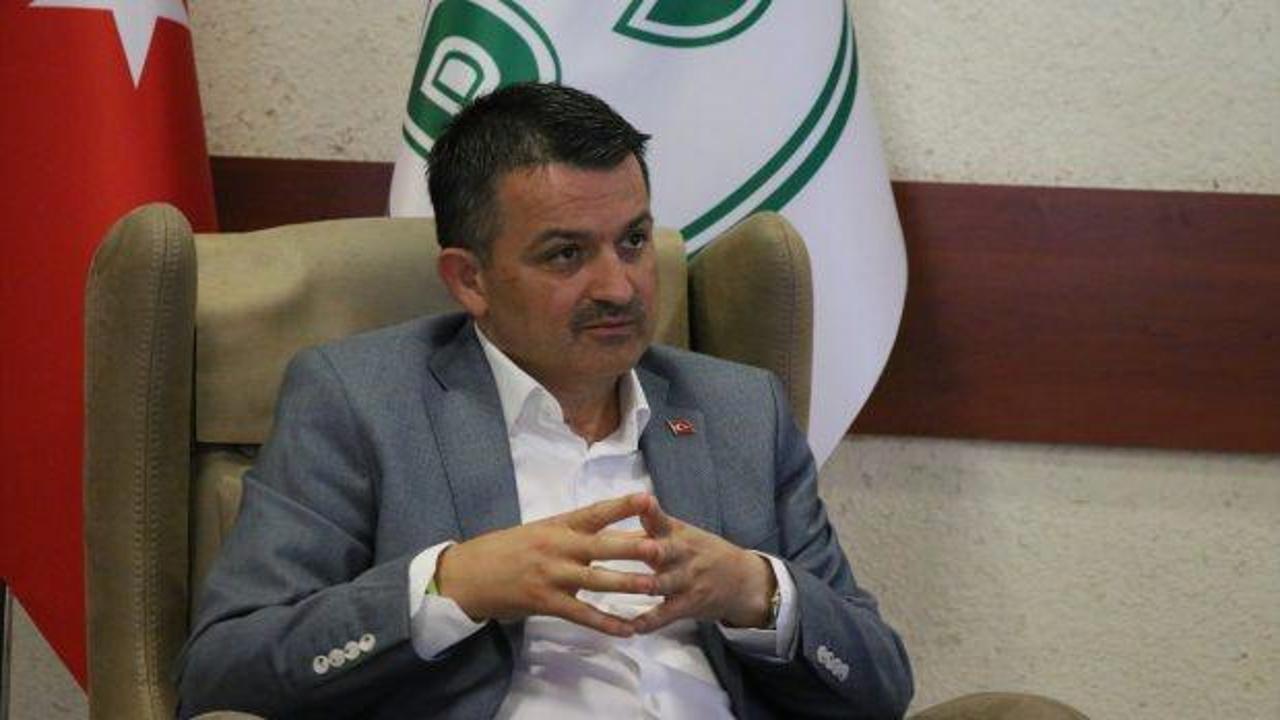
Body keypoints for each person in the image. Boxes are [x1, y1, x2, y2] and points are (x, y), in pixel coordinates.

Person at [176, 83, 1077, 720]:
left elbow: (881, 686)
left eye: (635, 240)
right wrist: (454, 585)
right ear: (470, 279)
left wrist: (755, 591)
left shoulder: (736, 408)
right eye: (567, 254)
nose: (621, 286)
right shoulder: (359, 399)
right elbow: (223, 673)